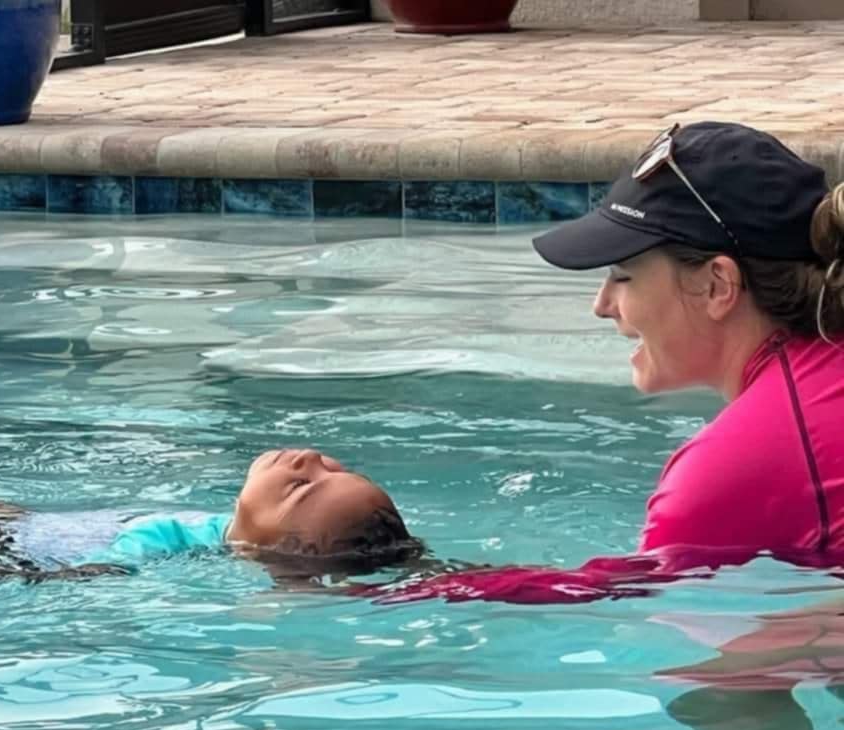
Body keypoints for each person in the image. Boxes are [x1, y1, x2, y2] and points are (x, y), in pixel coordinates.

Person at [361, 120, 844, 606]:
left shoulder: (735, 467)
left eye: (623, 275)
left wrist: (395, 588)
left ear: (717, 285)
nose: (602, 303)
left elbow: (650, 609)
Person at [0, 450, 424, 590]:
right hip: (14, 519)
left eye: (302, 487)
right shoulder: (229, 532)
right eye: (336, 468)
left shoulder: (164, 544)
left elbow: (84, 574)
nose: (309, 461)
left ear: (264, 539)